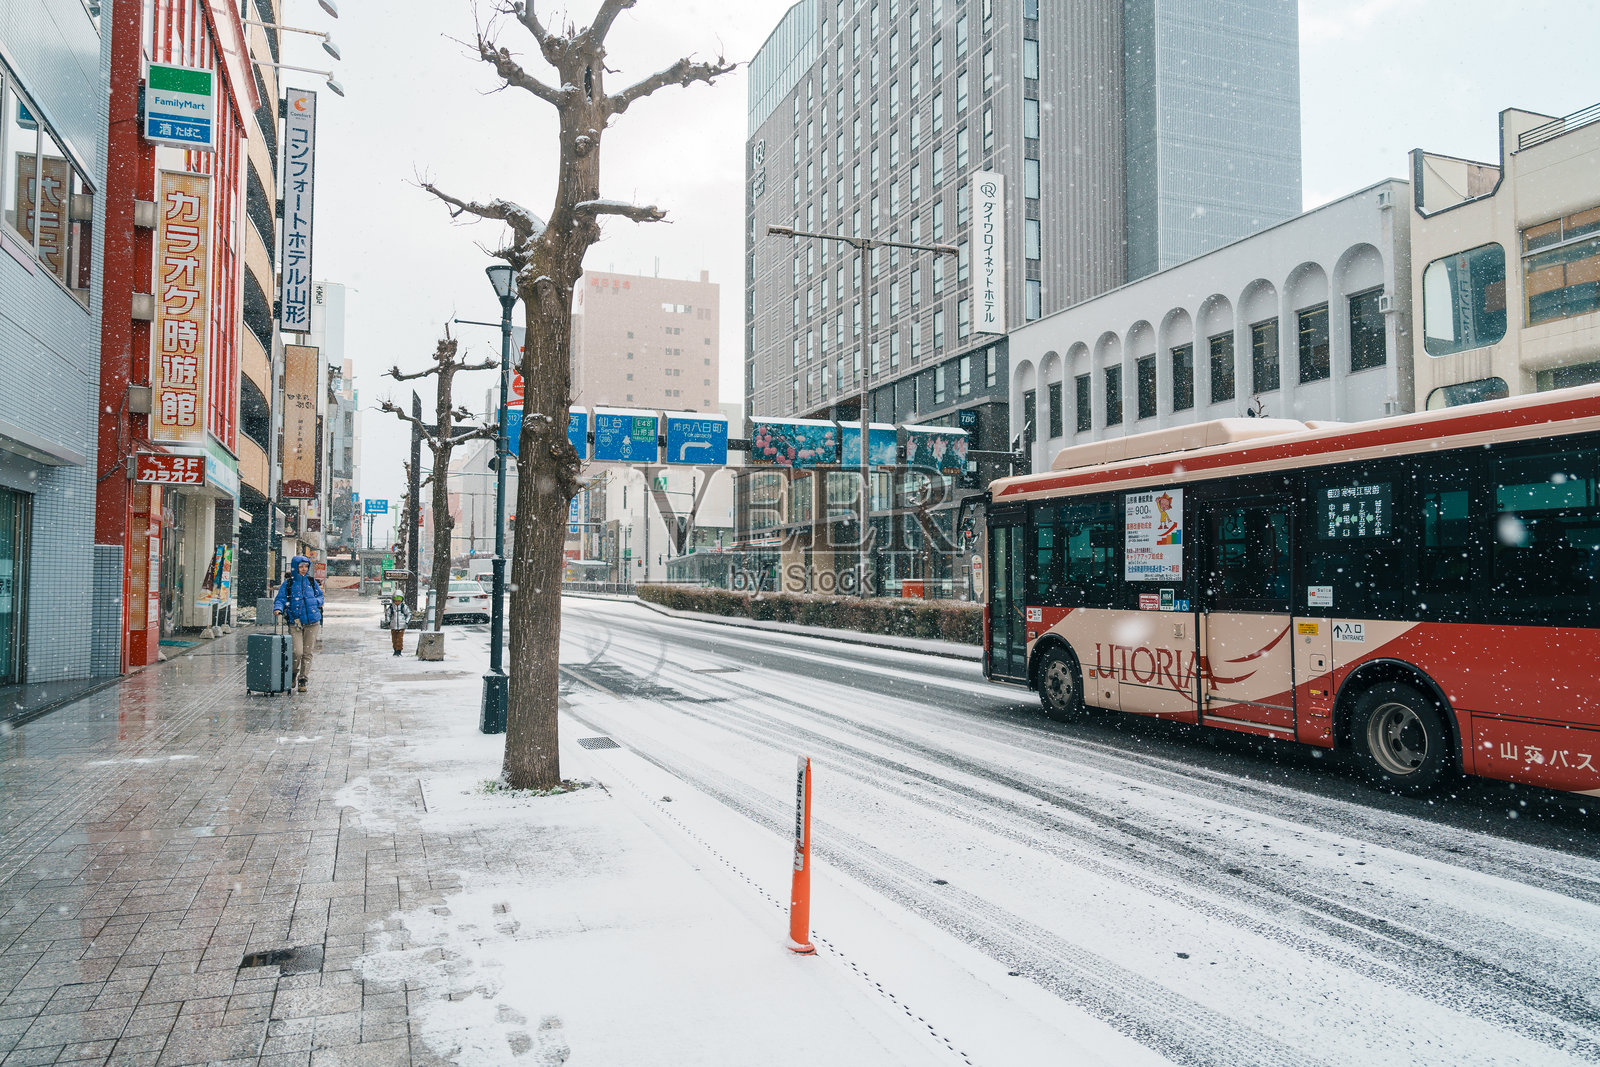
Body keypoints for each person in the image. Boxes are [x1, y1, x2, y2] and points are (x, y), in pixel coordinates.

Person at [273, 555, 324, 692]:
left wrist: (316, 602)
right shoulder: (288, 584)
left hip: (312, 622)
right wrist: (278, 608)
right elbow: (281, 599)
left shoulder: (311, 582)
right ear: (296, 567)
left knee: (307, 652)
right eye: (301, 566)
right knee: (297, 652)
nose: (303, 569)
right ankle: (293, 674)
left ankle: (303, 679)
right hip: (295, 622)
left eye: (306, 566)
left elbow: (320, 596)